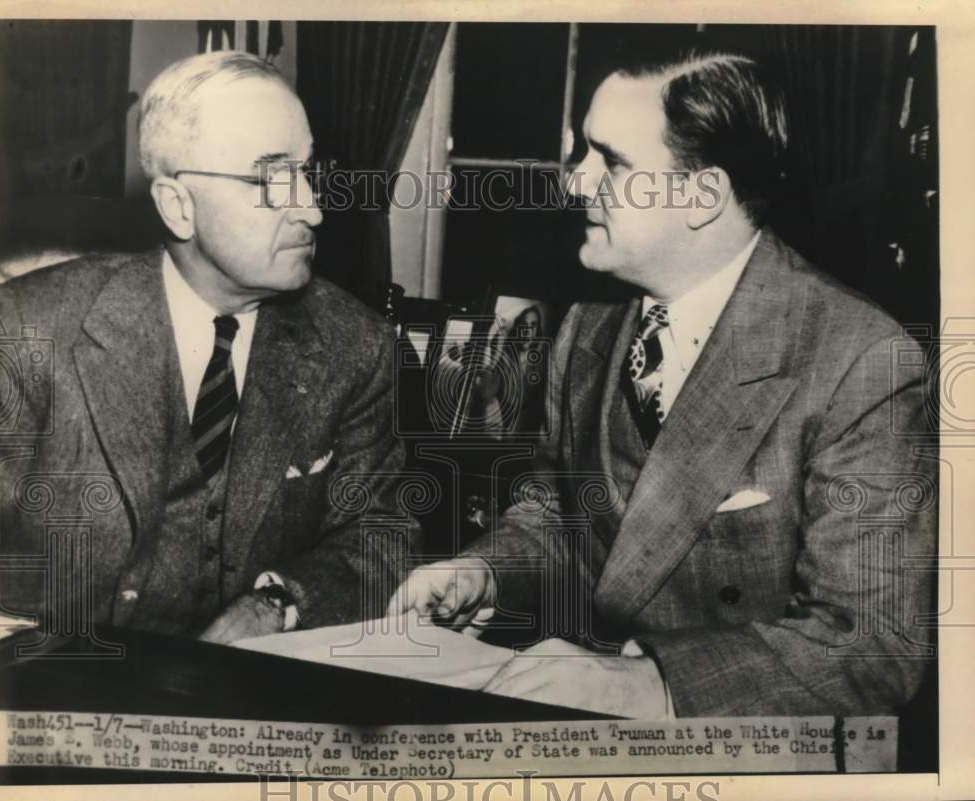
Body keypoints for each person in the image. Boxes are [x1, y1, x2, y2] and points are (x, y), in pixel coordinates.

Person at [388, 52, 936, 717]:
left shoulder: (861, 360)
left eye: (611, 162)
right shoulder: (586, 326)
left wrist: (649, 681)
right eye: (580, 152)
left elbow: (869, 649)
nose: (575, 184)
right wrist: (485, 572)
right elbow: (561, 516)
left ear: (702, 197)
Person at [0, 51, 416, 643]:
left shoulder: (356, 345)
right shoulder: (30, 328)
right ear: (178, 206)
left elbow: (381, 536)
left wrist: (275, 603)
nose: (313, 209)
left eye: (309, 172)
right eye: (269, 179)